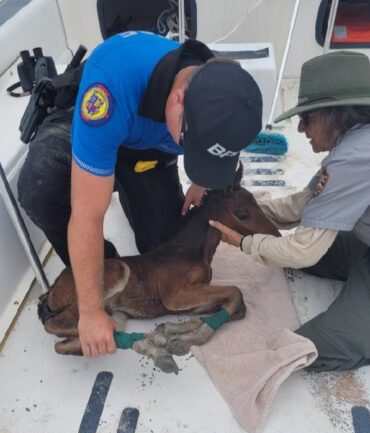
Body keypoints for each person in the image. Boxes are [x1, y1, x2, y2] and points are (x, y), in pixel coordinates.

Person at [17, 31, 263, 358]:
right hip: (102, 123)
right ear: (178, 100)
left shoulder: (218, 91)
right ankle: (99, 271)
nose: (193, 154)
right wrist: (91, 313)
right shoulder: (109, 92)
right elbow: (87, 215)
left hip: (147, 147)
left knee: (166, 250)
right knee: (40, 186)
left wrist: (202, 179)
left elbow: (217, 147)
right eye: (191, 146)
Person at [210, 51, 370, 372]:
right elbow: (304, 204)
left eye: (306, 118)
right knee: (293, 253)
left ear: (334, 115)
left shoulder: (354, 156)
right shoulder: (355, 144)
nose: (300, 130)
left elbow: (302, 251)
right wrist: (245, 210)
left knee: (307, 347)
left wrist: (243, 243)